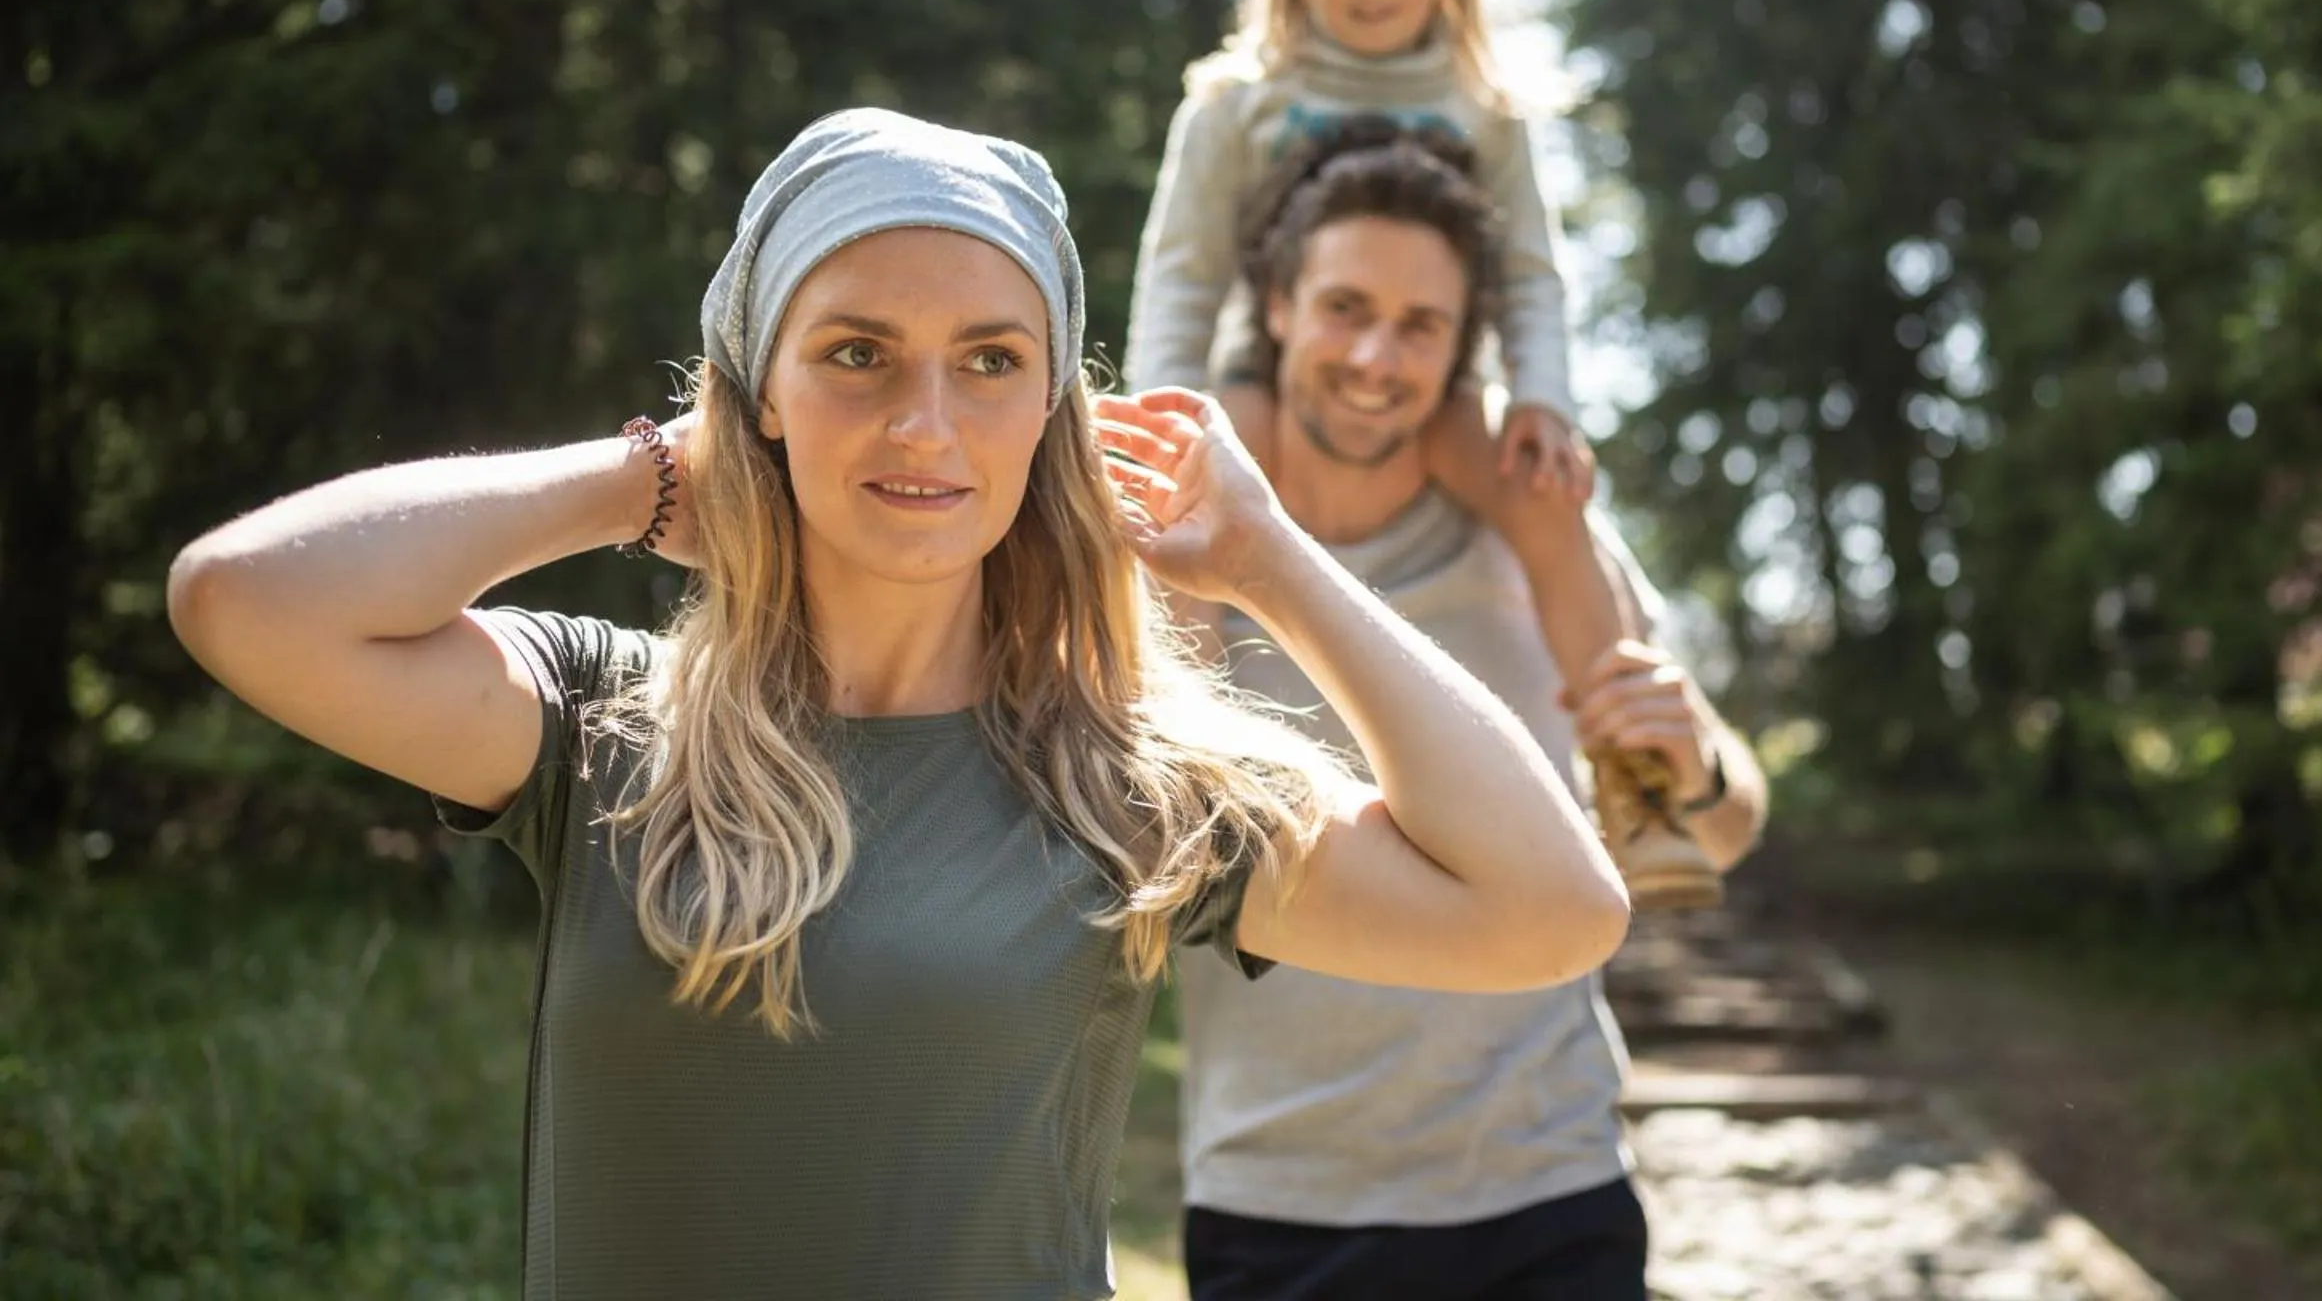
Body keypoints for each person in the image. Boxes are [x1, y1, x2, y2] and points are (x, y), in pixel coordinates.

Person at [165, 108, 1631, 1301]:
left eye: (990, 362)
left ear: (1048, 409)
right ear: (762, 389)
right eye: (856, 353)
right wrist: (648, 475)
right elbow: (243, 601)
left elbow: (1554, 912)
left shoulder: (1127, 789)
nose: (925, 425)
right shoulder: (604, 726)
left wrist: (1274, 566)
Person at [1177, 125, 1769, 1301]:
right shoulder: (1188, 562)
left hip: (1549, 1185)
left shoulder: (1540, 545)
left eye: (1420, 325)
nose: (1376, 356)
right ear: (1279, 307)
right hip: (1279, 1199)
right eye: (1346, 308)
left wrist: (1697, 769)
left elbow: (1720, 831)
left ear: (1462, 351)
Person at [1127, 0, 1716, 901]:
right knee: (1183, 518)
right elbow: (1184, 274)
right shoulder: (1237, 102)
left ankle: (1637, 778)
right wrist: (1164, 410)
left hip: (1440, 387)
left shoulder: (1484, 108)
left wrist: (1543, 400)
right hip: (1267, 377)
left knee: (1545, 494)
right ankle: (1184, 781)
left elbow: (1531, 275)